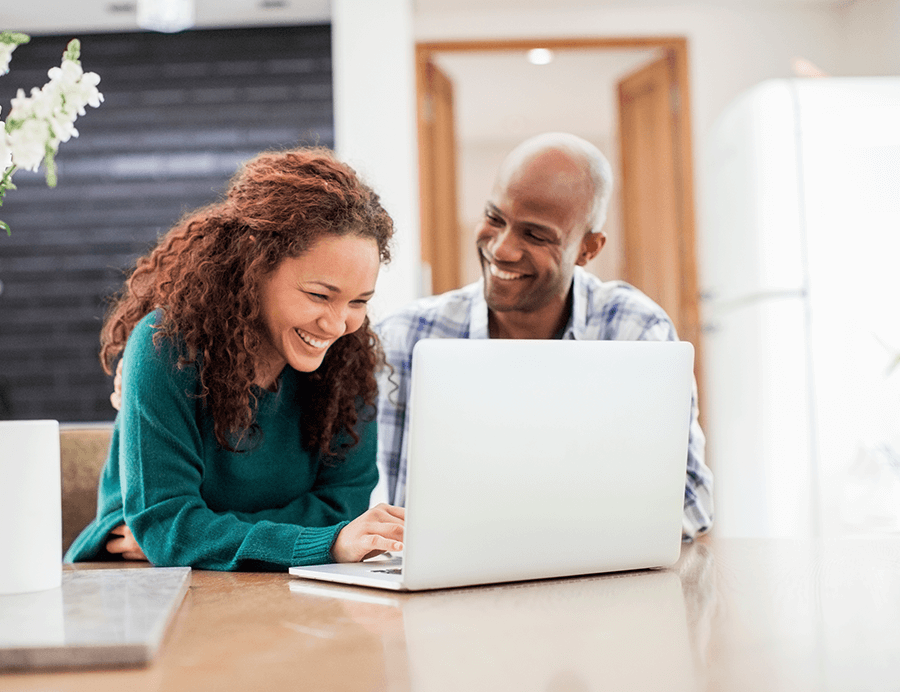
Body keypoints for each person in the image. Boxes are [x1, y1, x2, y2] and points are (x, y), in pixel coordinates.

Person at [66, 147, 405, 570]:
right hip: (136, 585)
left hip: (280, 586)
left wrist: (198, 533)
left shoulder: (347, 366)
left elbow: (343, 511)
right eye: (319, 295)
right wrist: (318, 540)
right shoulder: (165, 347)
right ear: (255, 265)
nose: (338, 325)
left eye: (359, 301)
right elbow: (167, 525)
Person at [376, 132, 713, 540]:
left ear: (588, 249)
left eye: (535, 235)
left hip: (592, 589)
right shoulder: (401, 339)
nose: (502, 249)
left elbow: (690, 505)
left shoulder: (635, 333)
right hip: (433, 594)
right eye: (495, 218)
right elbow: (372, 509)